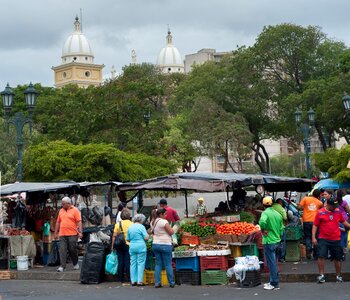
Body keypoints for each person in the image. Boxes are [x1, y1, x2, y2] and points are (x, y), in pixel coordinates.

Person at [312, 197, 350, 283]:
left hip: (336, 238)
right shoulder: (320, 212)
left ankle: (338, 276)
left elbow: (344, 222)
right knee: (321, 256)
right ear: (328, 205)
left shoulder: (337, 211)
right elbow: (315, 225)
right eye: (334, 206)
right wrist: (313, 237)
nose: (335, 207)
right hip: (323, 238)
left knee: (338, 258)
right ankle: (321, 276)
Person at [259, 196, 284, 290]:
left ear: (263, 205)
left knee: (272, 263)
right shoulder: (277, 214)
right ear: (272, 204)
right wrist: (279, 237)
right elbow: (282, 228)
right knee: (275, 262)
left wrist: (263, 229)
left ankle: (274, 283)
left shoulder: (265, 213)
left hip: (269, 241)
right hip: (277, 241)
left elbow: (262, 222)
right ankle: (273, 281)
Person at [54, 196, 82, 272]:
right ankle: (62, 266)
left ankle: (75, 263)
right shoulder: (61, 211)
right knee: (62, 249)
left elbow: (79, 222)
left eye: (63, 204)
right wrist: (56, 232)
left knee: (72, 249)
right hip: (62, 234)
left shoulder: (75, 210)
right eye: (62, 204)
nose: (62, 205)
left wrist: (80, 232)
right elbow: (58, 222)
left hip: (72, 234)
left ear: (68, 204)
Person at [151, 208, 175, 288]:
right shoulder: (164, 222)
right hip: (165, 244)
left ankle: (157, 283)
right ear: (161, 214)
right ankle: (171, 283)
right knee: (168, 264)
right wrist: (174, 229)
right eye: (165, 214)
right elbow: (171, 232)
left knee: (158, 264)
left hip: (155, 244)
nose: (166, 215)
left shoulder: (153, 222)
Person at [298, 189, 323, 259]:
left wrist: (304, 208)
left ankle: (308, 251)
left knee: (308, 236)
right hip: (315, 222)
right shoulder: (320, 203)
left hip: (306, 221)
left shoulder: (305, 199)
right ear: (318, 196)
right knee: (315, 237)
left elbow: (299, 207)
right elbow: (321, 210)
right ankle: (316, 254)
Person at [126, 213, 149, 286]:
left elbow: (128, 239)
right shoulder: (141, 227)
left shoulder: (130, 227)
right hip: (141, 246)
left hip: (132, 246)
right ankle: (139, 281)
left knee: (133, 264)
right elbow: (146, 238)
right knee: (140, 264)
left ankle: (133, 281)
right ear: (141, 220)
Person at [111, 209, 133, 283]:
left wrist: (112, 246)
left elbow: (114, 236)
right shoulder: (132, 224)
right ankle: (129, 278)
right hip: (128, 244)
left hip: (119, 244)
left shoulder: (118, 224)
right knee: (127, 261)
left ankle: (120, 279)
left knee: (120, 261)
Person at [272, 198, 287, 262]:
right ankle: (281, 258)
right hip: (280, 228)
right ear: (280, 203)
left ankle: (275, 257)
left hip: (272, 228)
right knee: (282, 242)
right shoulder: (281, 209)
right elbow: (285, 218)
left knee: (274, 242)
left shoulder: (271, 208)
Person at [336, 190, 350, 255]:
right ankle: (344, 247)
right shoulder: (344, 202)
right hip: (344, 218)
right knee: (345, 233)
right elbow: (348, 210)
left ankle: (339, 247)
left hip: (336, 218)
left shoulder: (335, 202)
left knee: (338, 233)